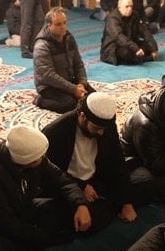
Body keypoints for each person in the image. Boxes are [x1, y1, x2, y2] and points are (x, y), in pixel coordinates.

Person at [0, 125, 90, 251]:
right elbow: (4, 221)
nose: (43, 158)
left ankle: (34, 241)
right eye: (39, 158)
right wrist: (43, 237)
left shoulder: (34, 158)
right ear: (27, 162)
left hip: (20, 205)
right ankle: (39, 242)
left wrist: (80, 204)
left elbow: (61, 180)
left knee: (66, 205)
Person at [43, 92, 137, 230]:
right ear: (82, 116)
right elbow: (51, 174)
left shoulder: (106, 127)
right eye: (97, 128)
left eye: (103, 129)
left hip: (97, 181)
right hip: (69, 185)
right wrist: (81, 186)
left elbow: (117, 162)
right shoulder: (55, 131)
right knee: (83, 222)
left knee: (144, 183)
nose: (101, 133)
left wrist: (126, 203)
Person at [33, 7, 93, 113]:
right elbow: (48, 75)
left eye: (65, 23)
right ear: (49, 25)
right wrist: (73, 89)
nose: (63, 27)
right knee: (70, 105)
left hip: (68, 80)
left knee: (93, 98)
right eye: (58, 24)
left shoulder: (69, 38)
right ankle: (40, 100)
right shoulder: (42, 46)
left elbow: (78, 63)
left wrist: (81, 83)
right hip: (49, 86)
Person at [100, 0, 157, 65]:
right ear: (119, 7)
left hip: (130, 42)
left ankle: (138, 57)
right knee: (125, 53)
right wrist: (136, 48)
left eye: (131, 6)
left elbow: (144, 31)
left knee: (148, 46)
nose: (130, 9)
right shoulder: (112, 19)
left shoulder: (134, 15)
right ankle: (146, 58)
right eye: (127, 6)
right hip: (114, 47)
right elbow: (119, 37)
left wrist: (154, 49)